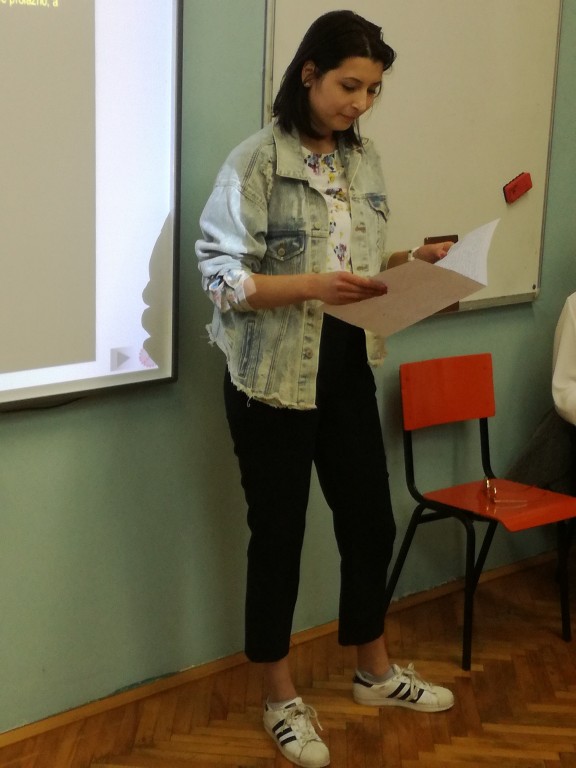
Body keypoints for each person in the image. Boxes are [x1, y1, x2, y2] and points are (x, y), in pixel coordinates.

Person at [196, 10, 454, 768]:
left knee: (370, 523)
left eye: (372, 90)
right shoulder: (255, 162)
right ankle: (279, 697)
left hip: (345, 367)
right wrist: (312, 284)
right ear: (308, 74)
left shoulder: (362, 161)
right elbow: (220, 277)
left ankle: (374, 671)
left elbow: (361, 267)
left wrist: (413, 262)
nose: (360, 103)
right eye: (349, 85)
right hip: (271, 380)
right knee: (278, 538)